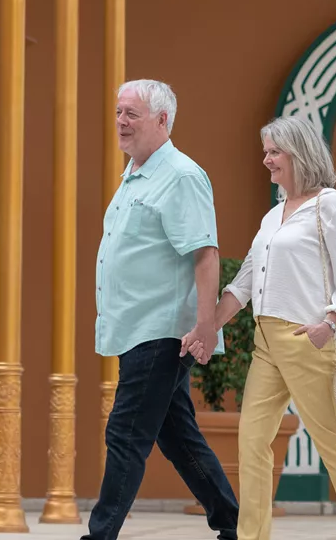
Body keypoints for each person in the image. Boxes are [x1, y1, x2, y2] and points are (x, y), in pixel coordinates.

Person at [214, 116, 336, 540]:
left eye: (275, 152)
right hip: (265, 341)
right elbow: (246, 281)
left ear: (300, 154)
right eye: (266, 151)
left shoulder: (329, 205)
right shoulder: (273, 215)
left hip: (307, 340)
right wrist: (207, 327)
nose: (266, 159)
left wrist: (330, 322)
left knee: (333, 446)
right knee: (252, 442)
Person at [85, 79, 238, 540]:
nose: (121, 122)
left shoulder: (181, 175)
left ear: (162, 120)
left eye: (132, 113)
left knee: (125, 433)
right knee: (176, 435)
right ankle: (235, 524)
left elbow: (205, 253)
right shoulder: (135, 173)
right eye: (118, 112)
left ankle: (100, 534)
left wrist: (206, 326)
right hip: (135, 328)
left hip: (162, 330)